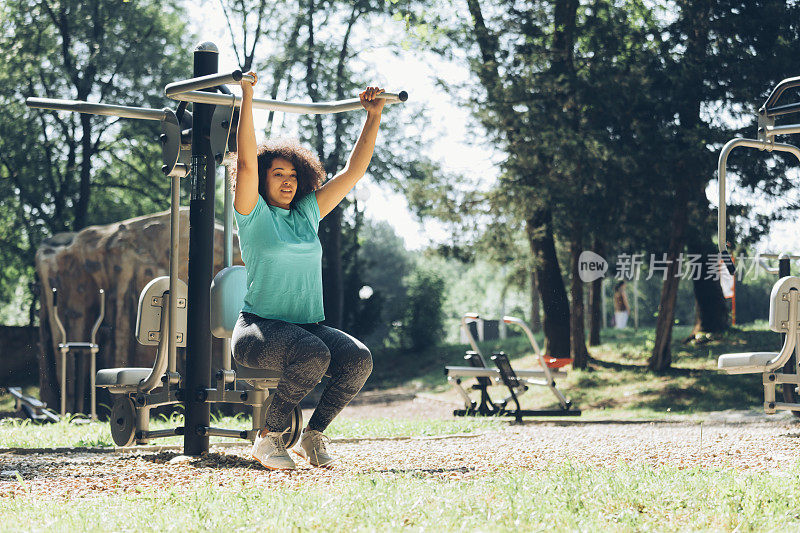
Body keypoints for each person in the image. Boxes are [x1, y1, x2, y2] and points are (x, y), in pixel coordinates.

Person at [231, 72, 384, 470]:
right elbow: (246, 160)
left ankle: (311, 436)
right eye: (277, 174)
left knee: (358, 359)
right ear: (263, 178)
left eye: (293, 174)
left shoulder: (305, 214)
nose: (287, 181)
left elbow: (352, 172)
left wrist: (373, 115)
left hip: (307, 327)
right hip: (258, 329)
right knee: (313, 353)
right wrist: (247, 96)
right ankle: (269, 438)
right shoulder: (253, 213)